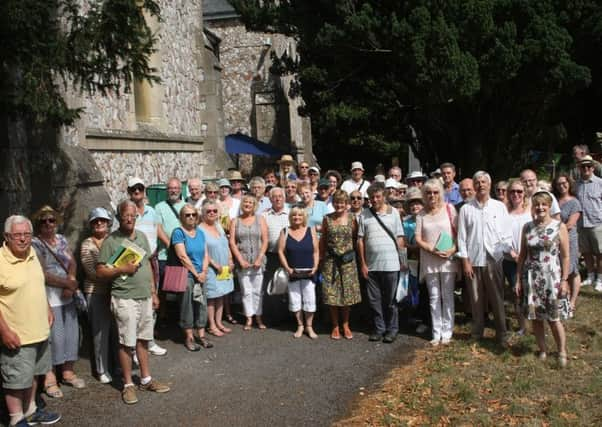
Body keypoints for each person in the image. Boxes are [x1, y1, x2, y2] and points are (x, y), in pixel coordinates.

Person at [97, 200, 170, 404]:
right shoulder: (111, 241)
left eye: (132, 215)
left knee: (143, 338)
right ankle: (128, 384)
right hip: (124, 297)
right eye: (125, 215)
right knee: (126, 342)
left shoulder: (142, 237)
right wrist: (122, 270)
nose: (129, 218)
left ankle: (146, 379)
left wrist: (154, 292)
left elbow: (147, 264)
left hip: (144, 295)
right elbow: (100, 271)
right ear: (119, 218)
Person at [0, 215, 60, 426]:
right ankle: (16, 418)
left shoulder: (32, 253)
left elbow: (37, 283)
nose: (23, 239)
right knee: (16, 379)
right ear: (7, 236)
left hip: (39, 329)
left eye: (27, 234)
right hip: (16, 333)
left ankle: (31, 410)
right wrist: (4, 331)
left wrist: (47, 307)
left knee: (34, 373)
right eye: (18, 235)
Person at [31, 206, 84, 398]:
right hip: (49, 297)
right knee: (54, 337)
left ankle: (68, 372)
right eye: (43, 221)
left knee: (71, 334)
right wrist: (67, 283)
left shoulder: (61, 239)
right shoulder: (35, 244)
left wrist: (70, 283)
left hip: (66, 295)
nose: (48, 224)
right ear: (38, 224)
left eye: (51, 220)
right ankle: (50, 379)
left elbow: (72, 261)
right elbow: (42, 273)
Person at [516, 192, 570, 367]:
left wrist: (564, 280)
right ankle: (543, 350)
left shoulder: (558, 226)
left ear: (549, 206)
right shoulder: (527, 227)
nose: (540, 208)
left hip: (551, 278)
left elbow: (566, 256)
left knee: (554, 318)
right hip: (531, 278)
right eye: (537, 205)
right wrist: (518, 280)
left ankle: (562, 351)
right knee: (536, 318)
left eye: (543, 205)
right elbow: (522, 256)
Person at [457, 171, 511, 345]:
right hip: (473, 259)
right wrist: (465, 261)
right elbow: (462, 238)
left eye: (483, 182)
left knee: (496, 296)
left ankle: (502, 332)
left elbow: (506, 234)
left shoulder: (499, 207)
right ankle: (477, 331)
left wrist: (500, 252)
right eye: (477, 182)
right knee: (476, 297)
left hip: (493, 259)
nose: (481, 185)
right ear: (474, 186)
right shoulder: (466, 209)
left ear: (489, 184)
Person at [357, 183, 405, 343]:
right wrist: (363, 264)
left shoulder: (395, 213)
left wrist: (403, 260)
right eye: (372, 197)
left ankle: (392, 329)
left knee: (391, 300)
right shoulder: (364, 215)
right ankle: (379, 328)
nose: (375, 200)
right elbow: (360, 241)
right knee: (374, 300)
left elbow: (399, 238)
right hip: (371, 265)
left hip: (391, 264)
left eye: (378, 196)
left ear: (384, 196)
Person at [414, 179, 459, 346]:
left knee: (447, 296)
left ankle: (447, 332)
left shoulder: (450, 209)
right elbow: (417, 238)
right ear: (424, 195)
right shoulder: (421, 214)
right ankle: (436, 332)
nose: (432, 195)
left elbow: (458, 234)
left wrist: (453, 249)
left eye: (435, 192)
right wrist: (430, 248)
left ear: (441, 193)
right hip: (429, 258)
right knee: (433, 297)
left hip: (448, 259)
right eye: (428, 193)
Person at [128, 177, 167, 357]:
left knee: (152, 300)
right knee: (135, 304)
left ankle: (149, 341)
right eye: (133, 189)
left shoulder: (152, 211)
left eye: (140, 188)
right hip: (134, 262)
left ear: (144, 191)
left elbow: (158, 230)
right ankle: (134, 346)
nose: (137, 192)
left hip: (151, 260)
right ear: (129, 192)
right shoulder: (126, 213)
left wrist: (171, 245)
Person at [319, 190, 361, 340]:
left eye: (342, 202)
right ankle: (335, 325)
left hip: (347, 263)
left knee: (346, 295)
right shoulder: (327, 219)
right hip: (331, 262)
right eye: (337, 202)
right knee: (332, 295)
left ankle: (346, 324)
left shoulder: (352, 219)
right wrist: (321, 259)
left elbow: (356, 239)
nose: (339, 205)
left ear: (347, 203)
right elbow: (323, 240)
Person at [80, 207, 115, 384]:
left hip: (116, 291)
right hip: (96, 292)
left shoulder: (114, 240)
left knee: (118, 330)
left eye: (102, 220)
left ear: (109, 222)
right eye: (95, 221)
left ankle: (116, 364)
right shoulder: (87, 244)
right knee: (100, 332)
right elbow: (92, 272)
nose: (99, 223)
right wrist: (117, 273)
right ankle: (102, 369)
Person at [170, 204, 212, 351]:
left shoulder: (200, 232)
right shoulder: (178, 233)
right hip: (186, 275)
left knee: (202, 304)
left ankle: (201, 334)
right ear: (182, 217)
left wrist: (204, 272)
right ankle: (189, 337)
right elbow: (182, 256)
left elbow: (206, 254)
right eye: (187, 215)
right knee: (187, 306)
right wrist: (196, 274)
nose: (191, 217)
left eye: (193, 214)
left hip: (201, 274)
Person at [277, 206, 320, 339]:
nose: (297, 218)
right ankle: (300, 325)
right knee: (295, 300)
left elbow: (316, 251)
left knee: (310, 299)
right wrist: (287, 268)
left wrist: (316, 266)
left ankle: (309, 326)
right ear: (291, 217)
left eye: (300, 215)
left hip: (309, 272)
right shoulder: (285, 231)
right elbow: (280, 251)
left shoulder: (311, 230)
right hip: (293, 273)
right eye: (294, 215)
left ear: (304, 218)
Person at [230, 195, 269, 330]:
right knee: (246, 291)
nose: (247, 204)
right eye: (245, 202)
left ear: (254, 206)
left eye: (250, 202)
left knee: (258, 291)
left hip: (258, 261)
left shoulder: (260, 219)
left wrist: (259, 258)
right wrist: (240, 259)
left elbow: (265, 240)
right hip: (243, 261)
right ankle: (249, 318)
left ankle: (259, 316)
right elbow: (232, 243)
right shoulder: (235, 221)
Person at [199, 200, 234, 338]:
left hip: (224, 267)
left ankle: (219, 323)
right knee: (212, 297)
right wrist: (215, 265)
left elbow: (226, 245)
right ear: (203, 213)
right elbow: (203, 251)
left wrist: (230, 260)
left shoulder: (219, 226)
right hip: (213, 268)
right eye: (208, 211)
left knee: (222, 294)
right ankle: (212, 325)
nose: (212, 213)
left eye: (214, 211)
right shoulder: (200, 229)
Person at [503, 179, 531, 334]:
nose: (516, 194)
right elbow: (501, 236)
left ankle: (537, 323)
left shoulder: (530, 212)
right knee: (517, 292)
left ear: (524, 193)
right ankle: (522, 326)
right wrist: (512, 253)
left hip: (530, 259)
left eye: (519, 191)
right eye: (512, 191)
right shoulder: (504, 212)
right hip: (510, 260)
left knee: (532, 292)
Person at [553, 174, 582, 313]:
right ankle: (563, 297)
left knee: (572, 270)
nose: (561, 186)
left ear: (569, 183)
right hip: (554, 240)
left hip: (569, 240)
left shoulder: (575, 202)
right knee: (561, 268)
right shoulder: (555, 201)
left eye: (564, 183)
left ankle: (572, 301)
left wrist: (556, 233)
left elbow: (570, 224)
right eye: (558, 184)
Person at [262, 187, 290, 324]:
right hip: (271, 255)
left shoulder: (290, 213)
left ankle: (288, 315)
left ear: (284, 198)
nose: (278, 198)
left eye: (280, 196)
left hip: (288, 255)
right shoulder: (265, 215)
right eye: (275, 196)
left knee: (287, 285)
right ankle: (273, 316)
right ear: (270, 199)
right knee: (272, 285)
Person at [575, 155, 602, 290]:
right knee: (586, 252)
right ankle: (590, 275)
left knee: (600, 253)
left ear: (593, 167)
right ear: (579, 168)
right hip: (581, 224)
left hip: (597, 223)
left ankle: (600, 279)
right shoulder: (576, 184)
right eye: (583, 166)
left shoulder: (600, 183)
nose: (586, 168)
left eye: (588, 166)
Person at [155, 177, 187, 294]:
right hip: (165, 254)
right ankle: (163, 312)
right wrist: (171, 245)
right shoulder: (159, 207)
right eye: (170, 188)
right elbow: (158, 228)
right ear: (166, 190)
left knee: (182, 286)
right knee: (164, 287)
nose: (173, 191)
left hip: (184, 253)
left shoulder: (186, 206)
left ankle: (179, 312)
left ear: (180, 190)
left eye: (176, 188)